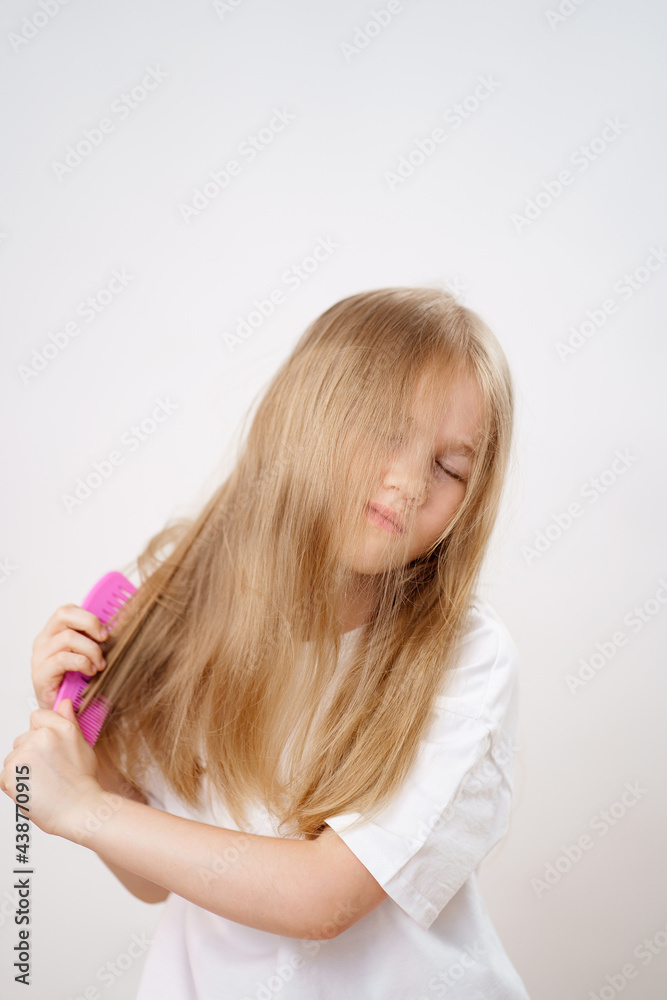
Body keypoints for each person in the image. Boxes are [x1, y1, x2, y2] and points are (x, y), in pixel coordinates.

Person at [2, 286, 531, 998]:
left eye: (449, 467)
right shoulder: (181, 613)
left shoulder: (464, 659)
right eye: (384, 430)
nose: (407, 482)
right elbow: (150, 877)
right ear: (303, 417)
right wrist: (86, 753)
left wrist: (85, 809)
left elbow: (320, 900)